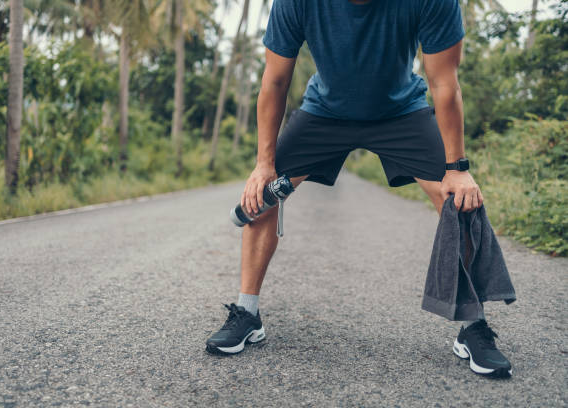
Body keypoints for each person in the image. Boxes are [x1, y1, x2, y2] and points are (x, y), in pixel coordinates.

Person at [205, 0, 513, 378]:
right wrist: (264, 165)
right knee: (263, 193)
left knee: (459, 200)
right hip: (325, 112)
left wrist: (458, 168)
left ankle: (474, 326)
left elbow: (444, 82)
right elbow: (275, 80)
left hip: (401, 112)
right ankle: (247, 313)